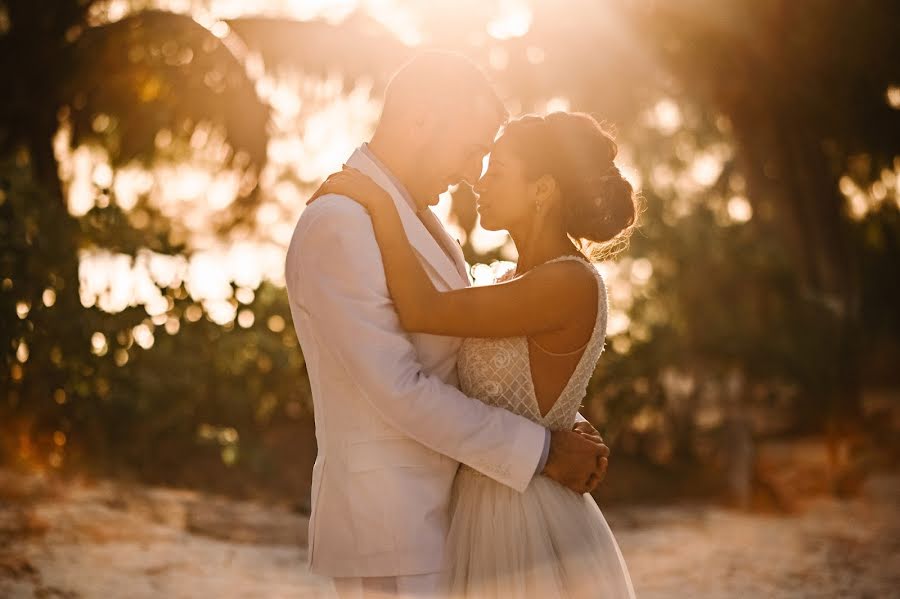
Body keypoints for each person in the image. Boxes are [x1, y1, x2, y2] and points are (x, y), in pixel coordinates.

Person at [284, 51, 610, 598]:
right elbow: (400, 388)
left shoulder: (416, 219)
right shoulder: (340, 223)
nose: (469, 175)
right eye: (472, 149)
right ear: (420, 122)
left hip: (453, 520)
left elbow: (473, 358)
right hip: (391, 525)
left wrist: (558, 416)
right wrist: (544, 450)